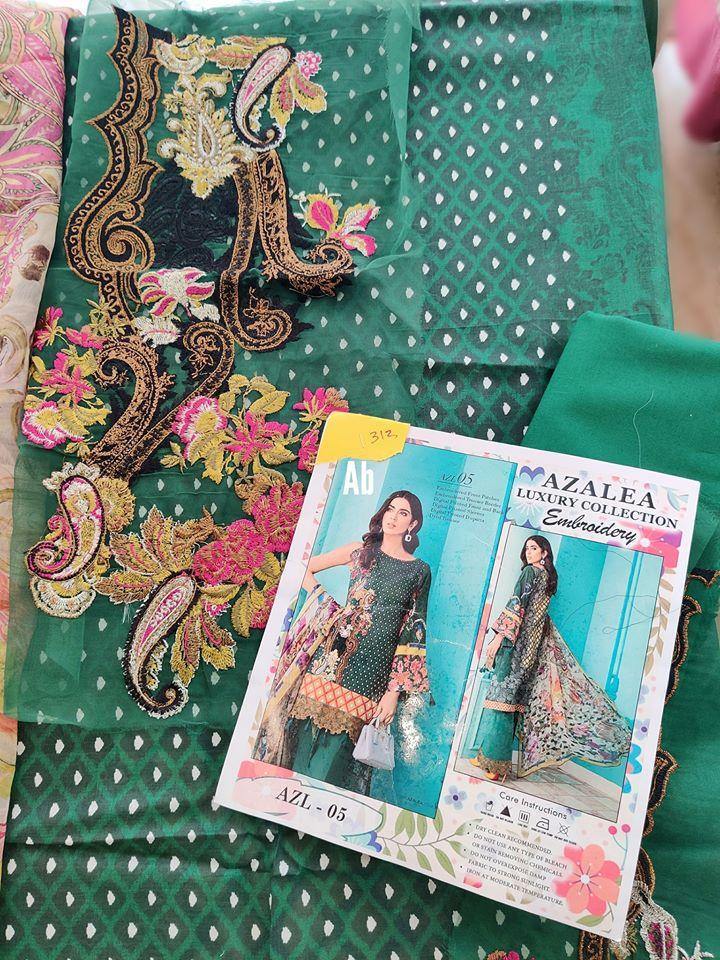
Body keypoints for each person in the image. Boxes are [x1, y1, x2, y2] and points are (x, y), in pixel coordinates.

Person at [254, 490, 432, 795]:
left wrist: (393, 692)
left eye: (403, 513)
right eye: (390, 509)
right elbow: (302, 567)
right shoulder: (360, 552)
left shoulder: (419, 570)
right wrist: (325, 602)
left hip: (373, 670)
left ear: (412, 524)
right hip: (331, 658)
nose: (393, 517)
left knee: (337, 760)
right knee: (301, 741)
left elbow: (415, 631)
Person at [470, 535, 631, 781]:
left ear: (545, 552)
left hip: (516, 646)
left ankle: (494, 766)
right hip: (531, 653)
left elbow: (516, 606)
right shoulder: (548, 579)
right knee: (512, 706)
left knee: (501, 704)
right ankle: (487, 756)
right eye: (526, 548)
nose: (528, 552)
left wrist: (498, 638)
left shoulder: (530, 573)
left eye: (534, 548)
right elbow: (538, 618)